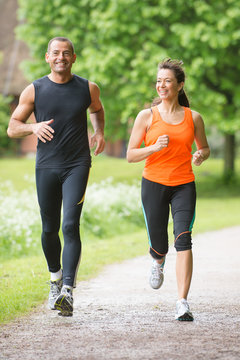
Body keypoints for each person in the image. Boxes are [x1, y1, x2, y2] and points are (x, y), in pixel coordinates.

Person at [7, 37, 105, 316]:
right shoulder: (34, 90)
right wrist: (33, 127)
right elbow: (13, 128)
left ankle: (68, 292)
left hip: (77, 164)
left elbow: (97, 109)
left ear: (74, 58)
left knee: (70, 225)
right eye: (56, 53)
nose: (61, 57)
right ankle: (55, 278)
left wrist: (98, 132)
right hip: (47, 166)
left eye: (66, 53)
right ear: (47, 57)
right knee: (50, 228)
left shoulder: (88, 88)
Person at [127, 58, 210, 321]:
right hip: (153, 184)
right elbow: (130, 155)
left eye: (167, 81)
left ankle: (182, 302)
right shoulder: (146, 116)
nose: (161, 86)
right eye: (159, 81)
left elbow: (205, 148)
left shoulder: (193, 117)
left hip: (184, 184)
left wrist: (200, 156)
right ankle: (158, 260)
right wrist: (153, 148)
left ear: (179, 85)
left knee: (183, 238)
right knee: (159, 243)